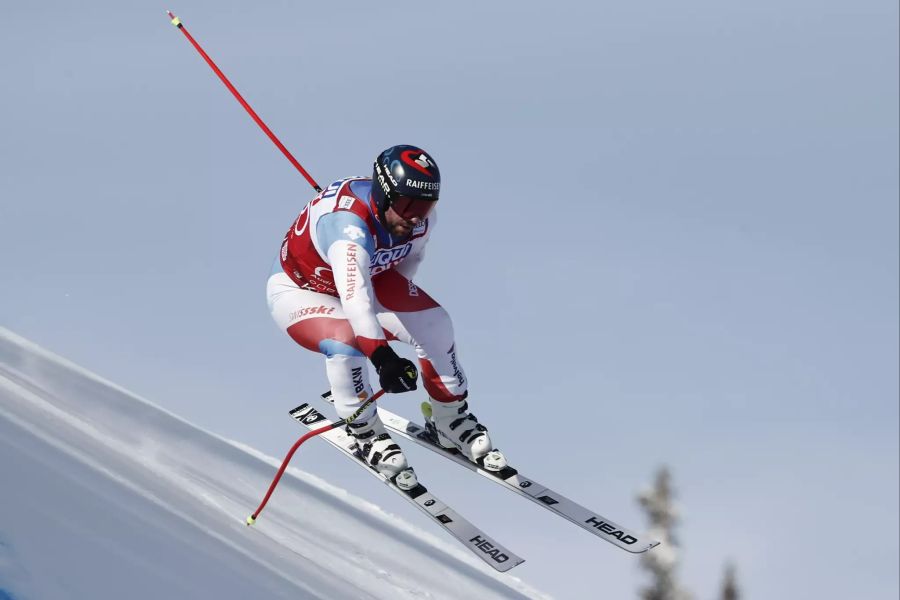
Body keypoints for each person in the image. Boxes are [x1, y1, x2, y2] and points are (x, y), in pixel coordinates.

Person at [266, 145, 503, 490]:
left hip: (365, 281)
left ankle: (450, 418)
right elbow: (355, 299)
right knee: (348, 340)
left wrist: (400, 324)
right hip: (301, 292)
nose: (415, 217)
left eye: (425, 207)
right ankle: (364, 432)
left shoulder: (419, 223)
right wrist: (383, 356)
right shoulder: (348, 229)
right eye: (408, 206)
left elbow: (405, 266)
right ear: (383, 195)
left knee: (435, 324)